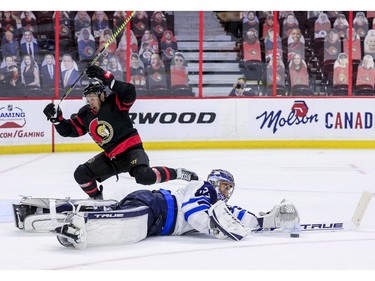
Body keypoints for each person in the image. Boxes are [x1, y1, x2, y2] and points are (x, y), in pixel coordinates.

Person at [12, 169, 300, 249]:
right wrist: (212, 225)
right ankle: (79, 225)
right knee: (127, 223)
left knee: (108, 207)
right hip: (156, 209)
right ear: (215, 183)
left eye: (228, 189)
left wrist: (268, 220)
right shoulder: (205, 190)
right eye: (224, 186)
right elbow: (194, 212)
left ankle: (37, 211)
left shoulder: (218, 204)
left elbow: (239, 216)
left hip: (152, 206)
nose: (225, 192)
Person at [42, 64, 199, 200]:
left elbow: (129, 91)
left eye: (93, 97)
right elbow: (69, 130)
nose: (90, 101)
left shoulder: (114, 103)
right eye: (87, 99)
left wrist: (104, 77)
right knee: (81, 173)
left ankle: (178, 173)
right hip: (112, 157)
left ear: (102, 95)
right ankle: (97, 199)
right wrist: (57, 120)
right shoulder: (86, 113)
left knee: (144, 176)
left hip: (131, 150)